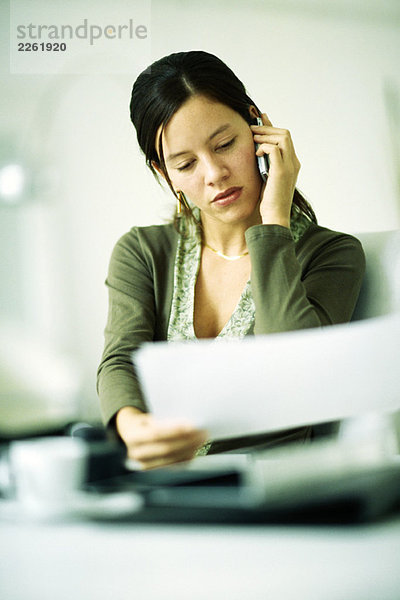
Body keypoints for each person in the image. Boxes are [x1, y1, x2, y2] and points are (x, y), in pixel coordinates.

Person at [97, 50, 365, 470]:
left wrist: (273, 220)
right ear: (164, 174)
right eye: (185, 164)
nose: (214, 173)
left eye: (225, 145)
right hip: (168, 489)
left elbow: (297, 368)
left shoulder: (332, 254)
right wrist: (133, 428)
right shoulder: (143, 252)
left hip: (272, 493)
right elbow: (120, 360)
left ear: (257, 127)